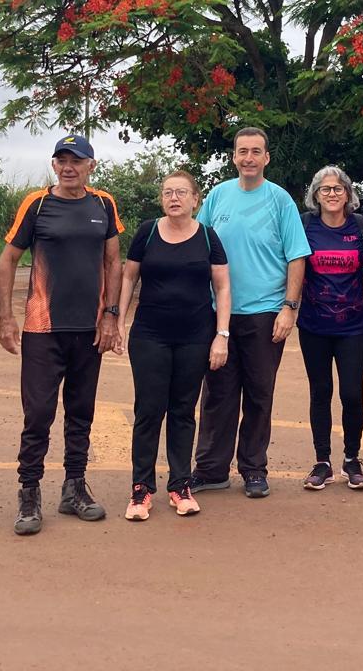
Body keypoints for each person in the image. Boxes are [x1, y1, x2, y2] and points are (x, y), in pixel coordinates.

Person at [0, 134, 123, 535]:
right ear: (54, 165)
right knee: (37, 414)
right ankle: (29, 492)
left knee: (81, 413)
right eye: (62, 160)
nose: (69, 167)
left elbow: (113, 262)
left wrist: (111, 316)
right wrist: (5, 317)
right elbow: (9, 258)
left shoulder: (103, 203)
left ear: (91, 165)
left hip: (89, 328)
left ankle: (74, 488)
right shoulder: (37, 203)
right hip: (42, 326)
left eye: (77, 160)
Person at [189, 127, 312, 499]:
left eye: (256, 152)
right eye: (242, 151)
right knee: (217, 394)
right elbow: (199, 242)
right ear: (233, 157)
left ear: (266, 158)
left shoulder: (280, 201)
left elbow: (296, 256)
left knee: (260, 393)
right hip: (220, 315)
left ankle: (254, 468)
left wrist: (289, 308)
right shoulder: (218, 196)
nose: (248, 158)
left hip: (265, 312)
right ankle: (211, 469)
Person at [117, 171, 232, 521]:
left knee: (183, 411)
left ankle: (180, 485)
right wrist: (118, 320)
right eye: (168, 192)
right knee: (149, 411)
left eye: (182, 192)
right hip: (150, 335)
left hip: (195, 336)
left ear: (196, 199)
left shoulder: (208, 237)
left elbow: (223, 288)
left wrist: (221, 335)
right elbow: (128, 277)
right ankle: (141, 489)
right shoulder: (147, 232)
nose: (174, 198)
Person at [297, 165, 363, 491]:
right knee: (321, 392)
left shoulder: (361, 226)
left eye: (338, 189)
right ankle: (322, 461)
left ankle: (352, 459)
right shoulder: (305, 225)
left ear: (348, 194)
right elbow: (291, 265)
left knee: (352, 394)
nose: (331, 194)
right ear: (315, 195)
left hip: (353, 325)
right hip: (313, 324)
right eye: (325, 189)